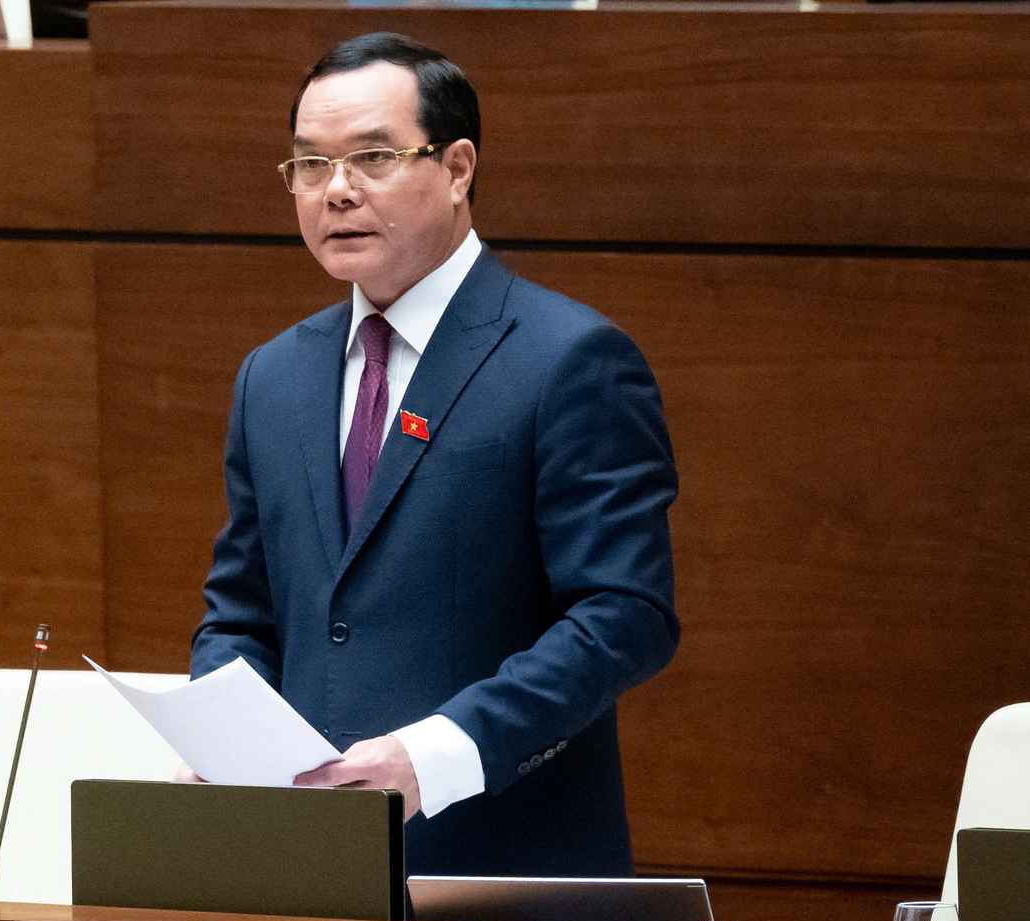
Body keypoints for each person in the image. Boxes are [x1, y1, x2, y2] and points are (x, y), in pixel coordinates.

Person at [186, 31, 679, 877]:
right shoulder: (272, 377)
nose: (336, 192)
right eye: (309, 166)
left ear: (457, 168)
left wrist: (434, 756)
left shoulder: (569, 359)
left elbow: (623, 617)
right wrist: (224, 736)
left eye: (371, 157)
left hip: (506, 876)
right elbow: (242, 611)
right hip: (303, 871)